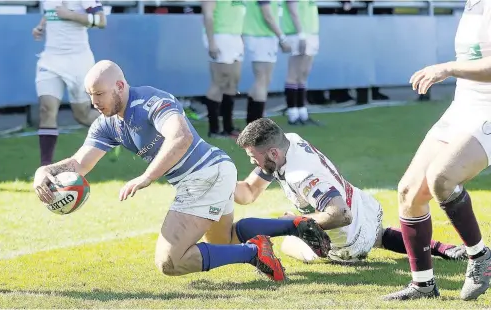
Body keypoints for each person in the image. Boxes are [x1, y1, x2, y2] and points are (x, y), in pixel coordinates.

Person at [32, 60, 331, 282]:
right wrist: (45, 171)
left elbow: (182, 137)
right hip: (212, 172)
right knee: (223, 243)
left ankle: (255, 251)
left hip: (204, 175)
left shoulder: (150, 101)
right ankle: (285, 230)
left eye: (100, 94)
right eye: (90, 95)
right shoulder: (108, 123)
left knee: (170, 262)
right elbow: (80, 163)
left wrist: (147, 177)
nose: (94, 103)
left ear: (120, 87)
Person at [234, 118, 467, 265]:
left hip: (347, 240)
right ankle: (445, 249)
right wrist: (219, 184)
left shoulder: (301, 175)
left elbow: (340, 214)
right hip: (363, 208)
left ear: (273, 153)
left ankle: (318, 248)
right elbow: (249, 192)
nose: (253, 162)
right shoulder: (290, 142)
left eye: (254, 157)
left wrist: (293, 222)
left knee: (287, 242)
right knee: (378, 236)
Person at [382, 0, 491, 301]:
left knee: (442, 178)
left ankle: (480, 257)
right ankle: (423, 285)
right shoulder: (472, 4)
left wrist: (447, 68)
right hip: (464, 106)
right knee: (408, 191)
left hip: (489, 110)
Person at [33, 0, 106, 166]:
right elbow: (51, 12)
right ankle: (45, 167)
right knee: (46, 110)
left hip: (78, 61)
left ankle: (118, 126)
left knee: (82, 115)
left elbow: (101, 21)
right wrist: (41, 26)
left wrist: (71, 15)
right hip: (50, 59)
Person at [201, 0, 245, 138]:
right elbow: (208, 14)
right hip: (220, 35)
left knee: (233, 82)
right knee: (220, 80)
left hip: (235, 36)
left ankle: (228, 127)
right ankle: (214, 129)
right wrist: (211, 42)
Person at [243, 0, 291, 124]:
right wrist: (282, 37)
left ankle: (253, 123)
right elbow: (267, 16)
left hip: (263, 36)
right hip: (261, 36)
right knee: (262, 80)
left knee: (264, 80)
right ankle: (256, 125)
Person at [282, 0, 322, 126]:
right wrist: (301, 35)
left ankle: (302, 112)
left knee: (303, 74)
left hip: (311, 33)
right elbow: (293, 10)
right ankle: (293, 114)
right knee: (293, 74)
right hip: (298, 34)